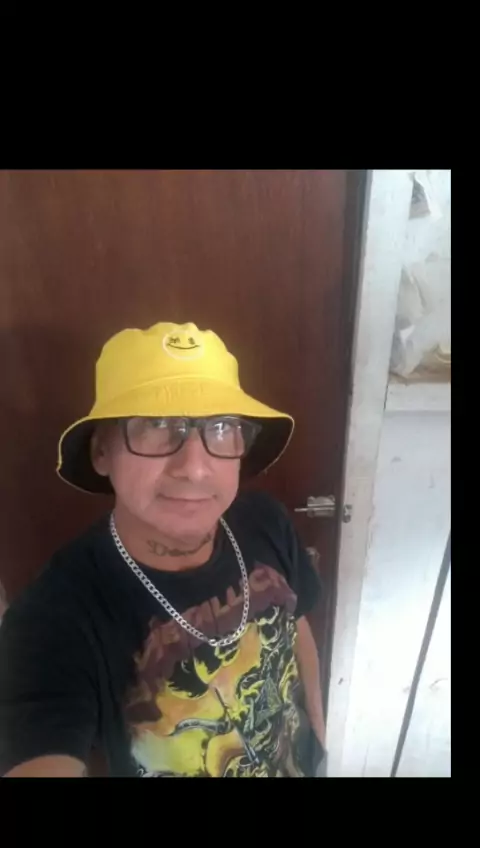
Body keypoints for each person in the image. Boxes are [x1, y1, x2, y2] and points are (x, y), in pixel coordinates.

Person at [0, 321, 326, 778]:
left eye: (221, 426)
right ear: (101, 451)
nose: (194, 468)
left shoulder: (266, 521)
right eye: (156, 424)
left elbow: (297, 626)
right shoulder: (53, 620)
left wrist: (319, 738)